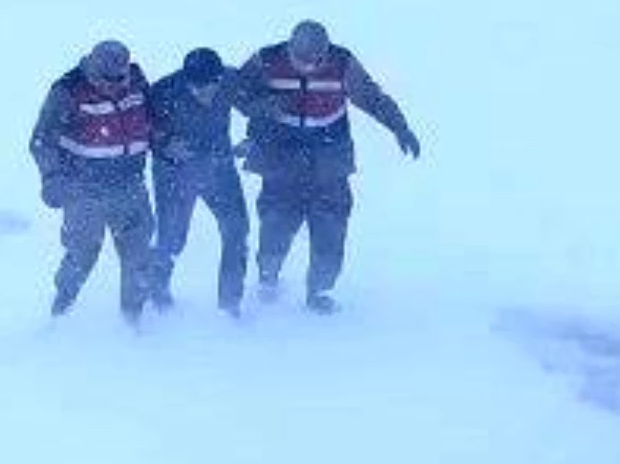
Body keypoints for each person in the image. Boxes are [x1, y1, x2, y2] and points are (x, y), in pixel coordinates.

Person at [236, 20, 421, 313]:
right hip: (280, 155)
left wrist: (400, 128)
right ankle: (268, 276)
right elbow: (238, 92)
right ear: (290, 48)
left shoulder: (341, 62)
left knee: (331, 227)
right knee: (276, 223)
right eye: (303, 60)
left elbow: (372, 97)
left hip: (329, 157)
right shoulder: (267, 60)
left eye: (317, 60)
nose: (310, 66)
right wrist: (265, 107)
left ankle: (319, 290)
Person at [29, 39, 155, 323]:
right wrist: (51, 177)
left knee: (139, 255)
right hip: (84, 190)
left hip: (130, 185)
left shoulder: (136, 81)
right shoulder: (68, 90)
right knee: (81, 256)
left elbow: (152, 119)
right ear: (93, 67)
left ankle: (132, 320)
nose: (115, 86)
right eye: (107, 79)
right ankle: (61, 311)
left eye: (119, 78)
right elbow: (41, 141)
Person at [147, 46, 259, 316]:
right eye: (196, 87)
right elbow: (141, 127)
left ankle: (230, 303)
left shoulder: (230, 80)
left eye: (210, 86)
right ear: (185, 80)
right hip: (174, 172)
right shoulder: (163, 90)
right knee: (172, 237)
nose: (204, 93)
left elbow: (259, 106)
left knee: (236, 230)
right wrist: (164, 143)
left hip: (218, 166)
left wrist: (254, 137)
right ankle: (157, 287)